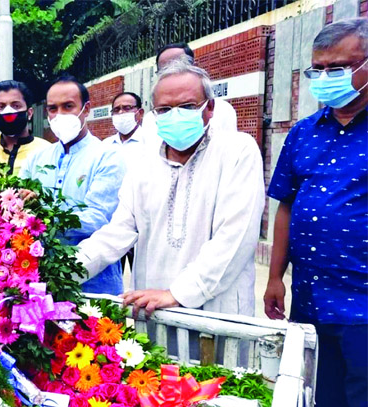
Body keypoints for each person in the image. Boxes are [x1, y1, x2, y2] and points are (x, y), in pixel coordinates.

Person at [77, 59, 264, 317]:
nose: (174, 115)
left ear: (209, 108)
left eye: (187, 106)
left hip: (217, 310)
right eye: (164, 109)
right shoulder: (144, 162)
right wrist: (64, 271)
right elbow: (117, 232)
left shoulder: (237, 151)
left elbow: (235, 237)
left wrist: (177, 293)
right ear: (153, 115)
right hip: (154, 308)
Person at [264, 18, 367, 407]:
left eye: (339, 67)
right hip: (310, 300)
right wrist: (274, 278)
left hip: (363, 304)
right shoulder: (303, 133)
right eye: (318, 69)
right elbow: (285, 206)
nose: (326, 78)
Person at [20, 76, 126, 294]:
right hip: (43, 279)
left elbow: (98, 218)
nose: (59, 115)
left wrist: (42, 212)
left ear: (86, 109)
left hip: (94, 282)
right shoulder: (36, 159)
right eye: (52, 109)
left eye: (68, 106)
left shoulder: (108, 157)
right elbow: (18, 210)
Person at [143, 42, 238, 149]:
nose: (172, 72)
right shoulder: (150, 120)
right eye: (164, 69)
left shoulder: (222, 110)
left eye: (188, 106)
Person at [0, 80, 51, 175]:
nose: (8, 111)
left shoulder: (47, 151)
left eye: (16, 105)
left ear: (29, 113)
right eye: (1, 107)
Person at [103, 92, 145, 167]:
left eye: (127, 108)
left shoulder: (151, 142)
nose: (121, 112)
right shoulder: (105, 145)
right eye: (116, 109)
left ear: (140, 113)